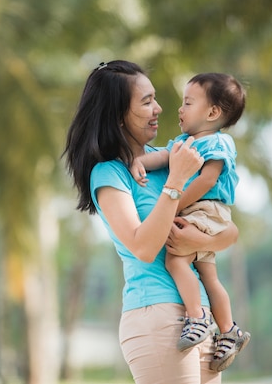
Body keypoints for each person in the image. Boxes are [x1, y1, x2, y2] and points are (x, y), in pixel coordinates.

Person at [63, 61, 239, 384]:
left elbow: (229, 232)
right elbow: (143, 246)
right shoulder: (109, 174)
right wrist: (176, 181)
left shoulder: (171, 157)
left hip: (200, 317)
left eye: (154, 98)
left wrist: (197, 242)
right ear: (118, 116)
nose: (159, 108)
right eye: (146, 102)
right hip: (156, 314)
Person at [129, 72, 251, 372]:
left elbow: (208, 180)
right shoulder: (184, 142)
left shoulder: (217, 143)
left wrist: (174, 204)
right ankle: (229, 330)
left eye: (188, 103)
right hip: (201, 214)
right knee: (209, 276)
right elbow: (163, 158)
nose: (179, 110)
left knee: (175, 262)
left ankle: (197, 318)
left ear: (212, 113)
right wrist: (136, 162)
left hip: (208, 210)